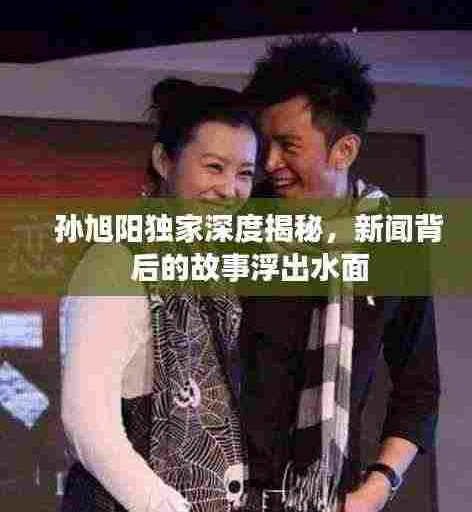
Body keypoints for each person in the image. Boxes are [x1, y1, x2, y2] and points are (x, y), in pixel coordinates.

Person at [240, 36, 440, 512]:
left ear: (344, 150)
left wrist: (377, 488)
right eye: (265, 144)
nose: (269, 164)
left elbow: (419, 387)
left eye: (288, 146)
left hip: (330, 500)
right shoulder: (237, 226)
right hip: (222, 494)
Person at [60, 78, 264, 512]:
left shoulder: (213, 270)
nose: (230, 189)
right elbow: (87, 426)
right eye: (214, 167)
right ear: (163, 161)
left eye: (244, 173)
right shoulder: (115, 263)